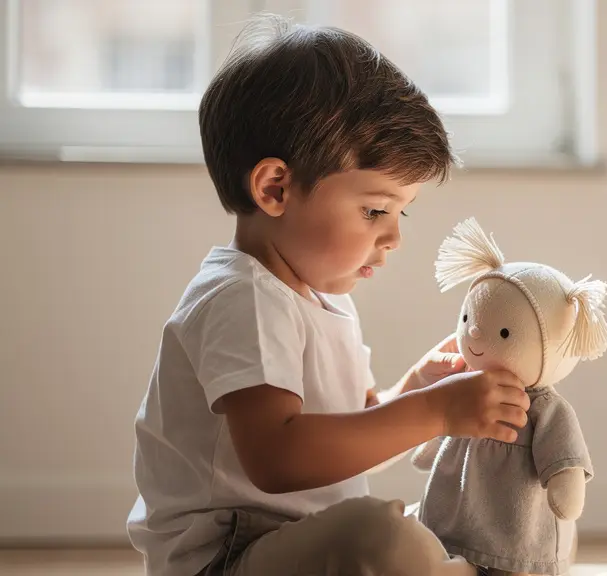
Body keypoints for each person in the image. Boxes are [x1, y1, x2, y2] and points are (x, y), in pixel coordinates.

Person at [125, 12, 531, 576]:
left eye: (399, 212)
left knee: (426, 525)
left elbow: (345, 435)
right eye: (374, 210)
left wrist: (411, 390)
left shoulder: (322, 299)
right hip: (228, 558)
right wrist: (435, 411)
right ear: (275, 188)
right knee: (384, 539)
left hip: (295, 545)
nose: (393, 237)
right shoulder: (241, 298)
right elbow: (280, 457)